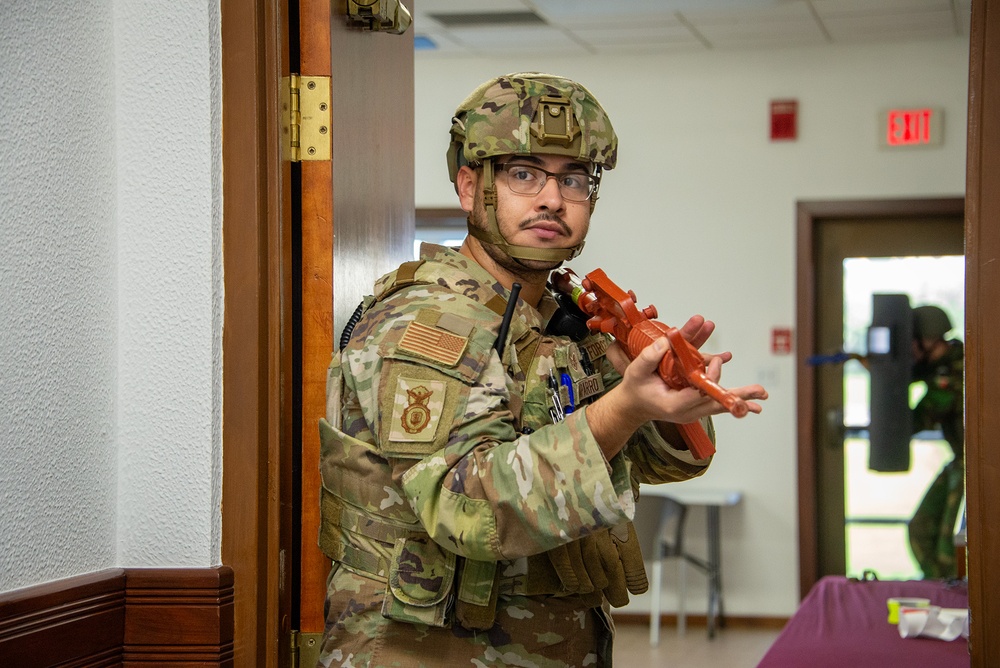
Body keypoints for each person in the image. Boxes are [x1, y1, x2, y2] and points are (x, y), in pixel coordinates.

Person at [315, 72, 767, 667]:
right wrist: (622, 408)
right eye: (524, 173)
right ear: (470, 185)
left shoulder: (555, 318)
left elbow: (651, 462)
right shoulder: (430, 321)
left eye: (573, 179)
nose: (553, 199)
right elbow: (463, 505)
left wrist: (668, 397)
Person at [907, 305, 964, 580]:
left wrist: (890, 382)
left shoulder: (953, 371)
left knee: (949, 548)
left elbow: (919, 420)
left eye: (913, 344)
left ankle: (955, 599)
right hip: (961, 463)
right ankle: (940, 588)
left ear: (927, 341)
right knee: (920, 530)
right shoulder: (944, 365)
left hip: (974, 467)